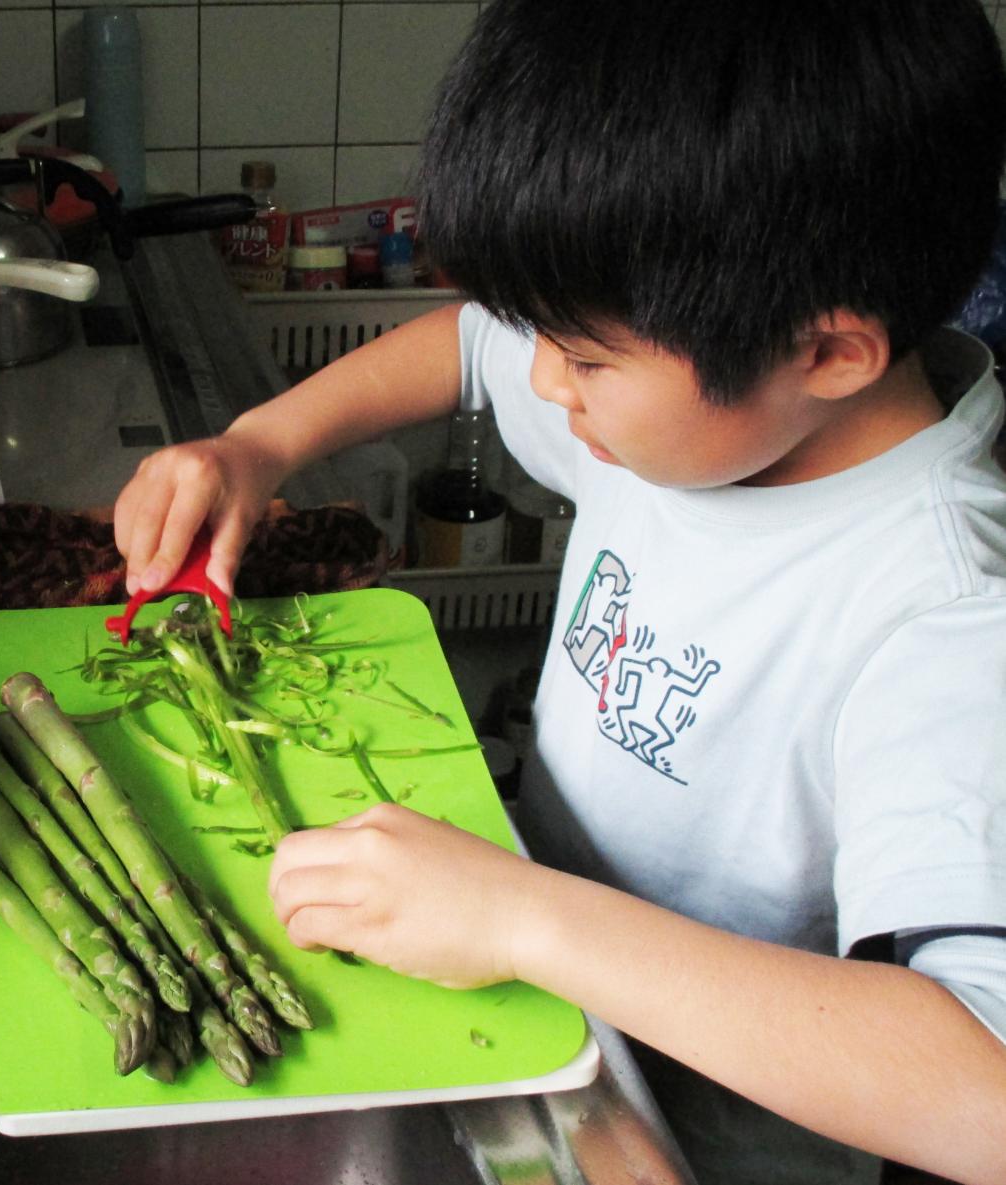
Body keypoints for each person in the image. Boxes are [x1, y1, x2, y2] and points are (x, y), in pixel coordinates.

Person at [110, 1, 1006, 1182]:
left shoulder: (943, 612)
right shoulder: (701, 405)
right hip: (529, 1012)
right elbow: (469, 344)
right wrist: (258, 446)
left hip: (700, 1144)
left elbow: (979, 1095)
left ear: (829, 353)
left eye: (581, 358)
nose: (543, 382)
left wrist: (521, 917)